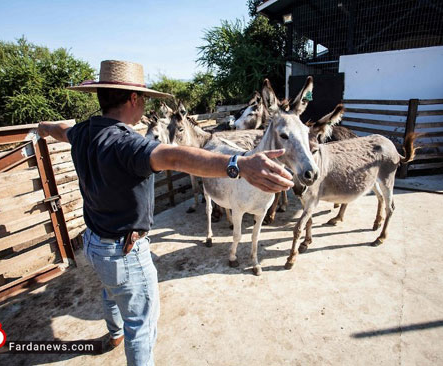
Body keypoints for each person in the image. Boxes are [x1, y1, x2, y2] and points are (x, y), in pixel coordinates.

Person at [37, 60, 293, 365]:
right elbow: (173, 156)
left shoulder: (81, 132)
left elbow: (58, 128)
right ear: (133, 99)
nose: (144, 105)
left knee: (110, 292)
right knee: (141, 327)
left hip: (93, 243)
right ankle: (125, 338)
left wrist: (41, 128)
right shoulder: (128, 144)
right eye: (143, 98)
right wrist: (239, 164)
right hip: (124, 251)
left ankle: (113, 333)